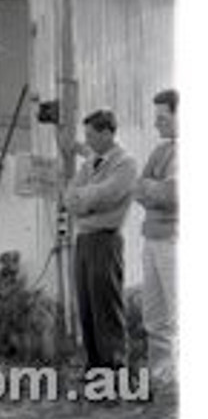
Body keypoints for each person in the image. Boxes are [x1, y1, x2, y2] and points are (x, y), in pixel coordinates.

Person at [63, 109, 139, 371]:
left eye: (91, 135)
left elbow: (105, 196)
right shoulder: (90, 162)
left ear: (107, 133)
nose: (88, 141)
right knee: (86, 307)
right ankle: (95, 370)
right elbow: (69, 196)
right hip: (84, 240)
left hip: (106, 241)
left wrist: (84, 202)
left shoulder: (125, 164)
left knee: (106, 308)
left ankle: (115, 372)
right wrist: (85, 201)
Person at [133, 89, 178, 388]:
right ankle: (160, 379)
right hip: (151, 238)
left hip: (176, 242)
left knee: (179, 312)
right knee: (154, 316)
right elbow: (138, 189)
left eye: (162, 117)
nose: (155, 124)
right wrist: (154, 189)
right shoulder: (161, 151)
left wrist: (154, 190)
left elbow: (172, 194)